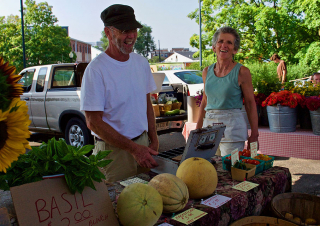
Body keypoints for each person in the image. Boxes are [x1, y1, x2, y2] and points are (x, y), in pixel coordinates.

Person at [80, 4, 159, 183]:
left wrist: (153, 140)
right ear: (108, 33)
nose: (131, 36)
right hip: (113, 153)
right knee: (118, 205)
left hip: (143, 143)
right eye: (125, 31)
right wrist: (134, 149)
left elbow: (146, 104)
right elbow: (93, 122)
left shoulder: (141, 63)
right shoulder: (96, 70)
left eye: (134, 29)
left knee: (146, 201)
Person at [195, 26, 259, 156]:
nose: (224, 45)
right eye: (220, 41)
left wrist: (254, 134)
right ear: (214, 47)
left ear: (235, 50)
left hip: (233, 131)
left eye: (229, 42)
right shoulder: (206, 72)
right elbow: (205, 102)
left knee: (231, 169)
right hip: (209, 129)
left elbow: (250, 104)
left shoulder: (242, 72)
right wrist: (197, 130)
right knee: (210, 168)